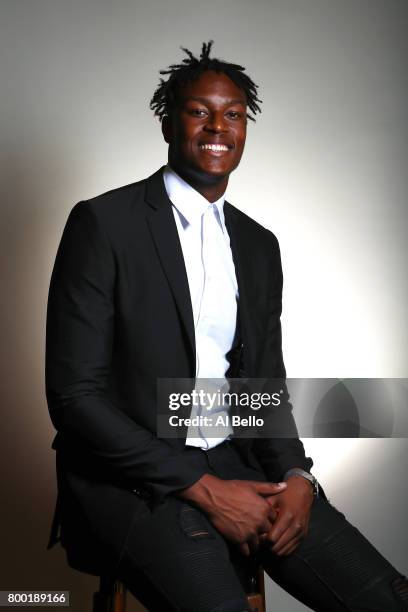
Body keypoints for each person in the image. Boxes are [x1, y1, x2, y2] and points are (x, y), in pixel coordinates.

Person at [46, 41, 407, 611]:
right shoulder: (104, 224)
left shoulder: (259, 245)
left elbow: (262, 383)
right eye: (199, 111)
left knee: (388, 600)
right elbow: (75, 398)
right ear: (169, 122)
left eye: (233, 114)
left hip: (238, 464)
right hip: (131, 484)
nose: (218, 125)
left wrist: (294, 475)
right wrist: (204, 490)